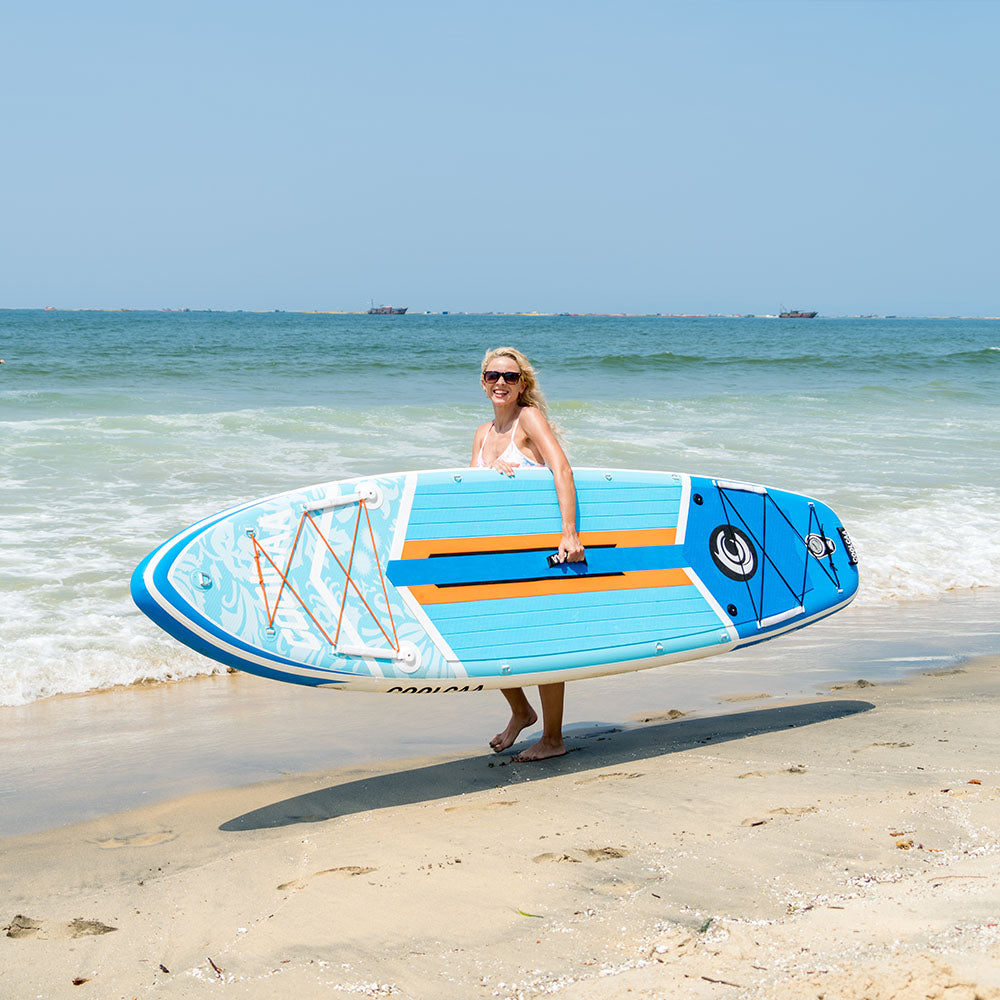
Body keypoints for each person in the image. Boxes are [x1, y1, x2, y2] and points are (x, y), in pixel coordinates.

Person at [471, 347, 586, 761]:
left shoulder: (529, 419)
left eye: (510, 377)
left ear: (523, 385)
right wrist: (489, 475)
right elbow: (471, 495)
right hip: (497, 551)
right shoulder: (482, 434)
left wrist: (569, 533)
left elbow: (562, 469)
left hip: (537, 549)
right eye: (493, 376)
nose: (501, 382)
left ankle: (553, 738)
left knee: (542, 640)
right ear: (483, 382)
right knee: (485, 634)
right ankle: (521, 711)